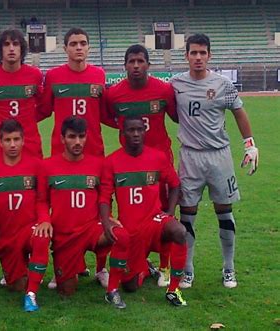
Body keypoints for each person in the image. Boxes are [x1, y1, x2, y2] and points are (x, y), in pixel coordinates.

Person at [170, 33, 259, 289]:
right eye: (193, 53)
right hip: (190, 156)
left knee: (224, 211)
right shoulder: (176, 84)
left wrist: (249, 143)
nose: (198, 57)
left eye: (202, 53)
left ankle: (229, 268)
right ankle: (187, 270)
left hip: (219, 155)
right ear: (186, 55)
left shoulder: (223, 84)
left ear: (209, 55)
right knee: (187, 214)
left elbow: (239, 112)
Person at [105, 44, 177, 287]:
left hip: (160, 161)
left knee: (165, 212)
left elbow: (177, 116)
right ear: (124, 65)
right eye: (131, 61)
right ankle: (139, 260)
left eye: (140, 61)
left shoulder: (163, 90)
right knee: (132, 216)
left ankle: (165, 267)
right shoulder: (114, 94)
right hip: (130, 163)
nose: (136, 66)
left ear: (148, 64)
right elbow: (108, 117)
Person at [37, 116, 130, 304]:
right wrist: (45, 219)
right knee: (66, 291)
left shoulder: (98, 165)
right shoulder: (47, 166)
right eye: (72, 137)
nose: (77, 142)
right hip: (65, 235)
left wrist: (108, 219)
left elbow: (104, 197)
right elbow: (41, 200)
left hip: (91, 229)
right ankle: (73, 266)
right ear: (62, 139)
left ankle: (112, 289)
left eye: (81, 136)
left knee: (121, 234)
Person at [100, 116, 188, 307]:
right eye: (131, 130)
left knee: (179, 231)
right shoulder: (111, 162)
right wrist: (107, 222)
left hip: (154, 221)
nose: (136, 134)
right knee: (130, 286)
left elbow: (174, 184)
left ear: (145, 131)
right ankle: (144, 269)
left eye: (140, 129)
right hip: (130, 229)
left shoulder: (157, 157)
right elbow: (104, 197)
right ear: (123, 134)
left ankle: (173, 289)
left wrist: (169, 212)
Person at [0, 119, 50, 312]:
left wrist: (44, 219)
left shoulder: (37, 166)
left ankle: (31, 295)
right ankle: (22, 270)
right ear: (0, 142)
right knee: (15, 286)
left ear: (23, 140)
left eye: (16, 139)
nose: (12, 144)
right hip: (6, 239)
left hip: (28, 230)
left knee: (41, 237)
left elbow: (42, 200)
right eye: (8, 140)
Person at [40, 27, 112, 157]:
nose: (79, 47)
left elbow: (103, 113)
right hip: (61, 149)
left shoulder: (98, 74)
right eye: (73, 44)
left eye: (83, 43)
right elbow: (45, 109)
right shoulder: (53, 76)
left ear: (88, 48)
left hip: (93, 148)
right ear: (65, 49)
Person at [0, 29, 44, 159]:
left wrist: (28, 118)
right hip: (0, 148)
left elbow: (44, 107)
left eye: (15, 44)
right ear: (0, 49)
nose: (11, 48)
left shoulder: (35, 75)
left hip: (30, 146)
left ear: (22, 49)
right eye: (6, 44)